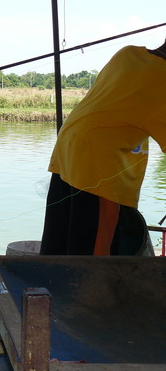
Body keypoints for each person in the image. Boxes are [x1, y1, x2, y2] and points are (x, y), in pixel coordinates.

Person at [40, 39, 166, 256]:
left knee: (63, 235)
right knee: (96, 250)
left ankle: (56, 285)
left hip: (70, 142)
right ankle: (90, 287)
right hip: (98, 158)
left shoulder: (128, 53)